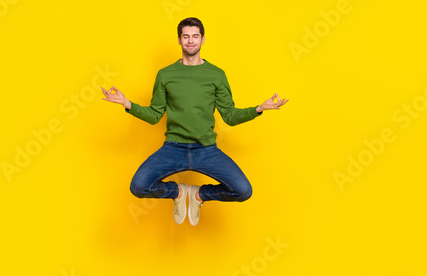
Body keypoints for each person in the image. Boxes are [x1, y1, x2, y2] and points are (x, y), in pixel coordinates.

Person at [101, 17, 288, 226]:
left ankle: (199, 195)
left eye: (195, 36)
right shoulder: (165, 75)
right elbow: (154, 115)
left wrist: (259, 109)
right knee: (139, 186)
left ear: (203, 39)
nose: (190, 40)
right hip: (173, 148)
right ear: (179, 40)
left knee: (243, 190)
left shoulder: (216, 75)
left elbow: (230, 116)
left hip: (206, 149)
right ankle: (178, 192)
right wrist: (127, 103)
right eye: (186, 36)